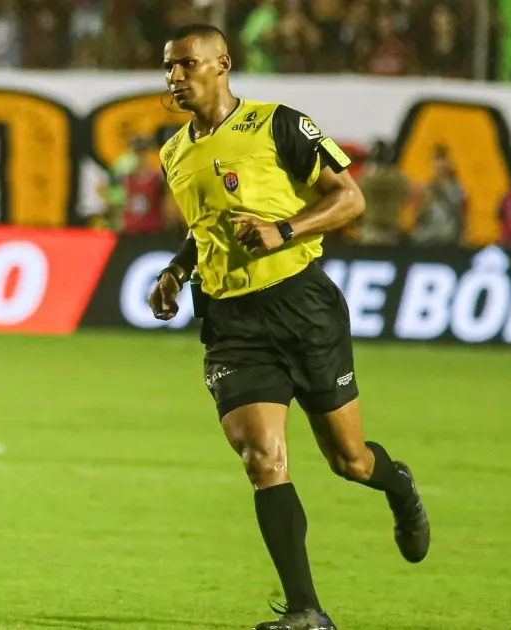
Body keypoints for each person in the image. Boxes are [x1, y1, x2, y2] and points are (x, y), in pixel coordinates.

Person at [147, 24, 429, 630]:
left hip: (302, 307)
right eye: (169, 67)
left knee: (349, 460)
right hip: (231, 322)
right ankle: (307, 612)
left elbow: (348, 198)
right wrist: (174, 271)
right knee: (262, 458)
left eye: (187, 64)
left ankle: (398, 485)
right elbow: (205, 230)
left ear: (222, 63)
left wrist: (287, 229)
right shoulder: (173, 153)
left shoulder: (278, 123)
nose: (175, 78)